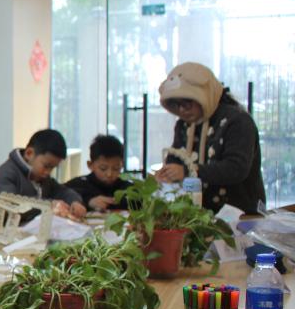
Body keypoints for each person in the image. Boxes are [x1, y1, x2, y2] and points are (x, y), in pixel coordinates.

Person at [155, 62, 265, 214]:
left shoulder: (238, 121)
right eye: (176, 105)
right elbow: (177, 159)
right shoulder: (184, 124)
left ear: (203, 95)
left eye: (187, 103)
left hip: (241, 216)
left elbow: (236, 169)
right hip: (201, 213)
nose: (182, 110)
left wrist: (188, 171)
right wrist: (169, 173)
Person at [0, 128, 86, 220]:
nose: (48, 172)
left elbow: (62, 191)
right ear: (29, 153)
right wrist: (48, 205)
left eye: (52, 168)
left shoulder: (43, 178)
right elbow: (11, 205)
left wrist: (74, 201)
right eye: (46, 166)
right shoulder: (6, 173)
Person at [66, 134, 131, 211]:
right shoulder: (77, 185)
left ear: (122, 165)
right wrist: (88, 202)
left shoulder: (129, 189)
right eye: (103, 168)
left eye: (116, 168)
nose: (109, 174)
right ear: (90, 165)